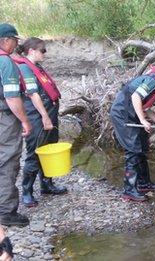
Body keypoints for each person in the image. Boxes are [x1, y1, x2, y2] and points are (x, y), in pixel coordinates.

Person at [110, 58, 155, 202]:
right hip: (123, 115)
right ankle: (129, 191)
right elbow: (136, 97)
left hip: (132, 114)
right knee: (133, 151)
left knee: (142, 147)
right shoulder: (153, 80)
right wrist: (142, 120)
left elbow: (145, 106)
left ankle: (143, 184)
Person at [13, 37, 67, 208]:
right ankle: (27, 192)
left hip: (50, 114)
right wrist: (44, 117)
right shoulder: (25, 68)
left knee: (49, 149)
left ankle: (47, 185)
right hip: (37, 118)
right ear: (31, 51)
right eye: (42, 50)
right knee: (35, 152)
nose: (45, 53)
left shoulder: (37, 67)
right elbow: (33, 95)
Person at [0, 23, 32, 227]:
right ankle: (6, 212)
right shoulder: (6, 63)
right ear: (5, 40)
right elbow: (12, 97)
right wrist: (25, 121)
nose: (16, 44)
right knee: (8, 161)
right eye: (14, 40)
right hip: (5, 119)